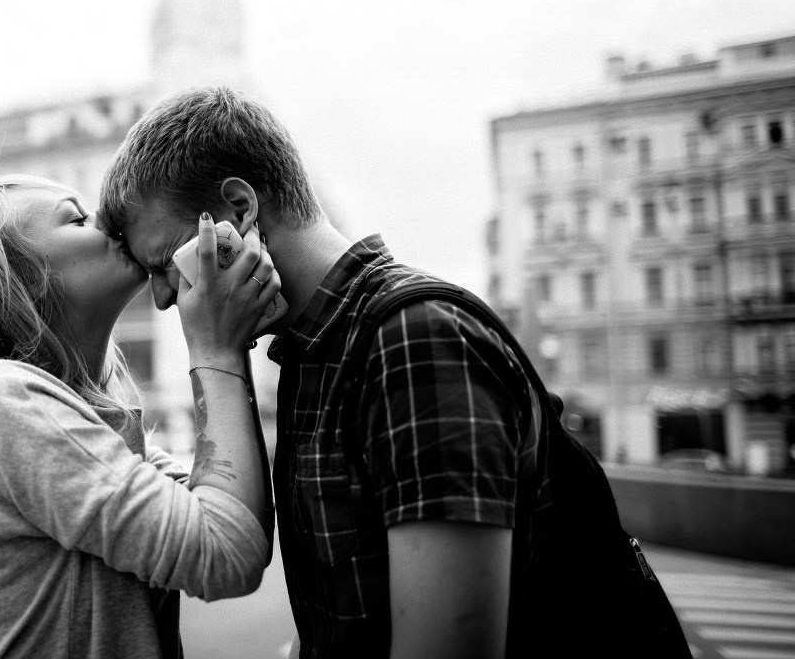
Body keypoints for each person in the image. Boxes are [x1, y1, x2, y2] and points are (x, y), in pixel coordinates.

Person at [98, 88, 543, 659]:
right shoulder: (316, 356)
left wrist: (213, 350)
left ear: (239, 211)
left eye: (164, 263)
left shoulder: (416, 339)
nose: (160, 298)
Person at [0, 174, 280, 659]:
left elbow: (228, 515)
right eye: (78, 218)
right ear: (16, 281)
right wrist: (216, 345)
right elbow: (227, 549)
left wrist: (225, 323)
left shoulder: (86, 427)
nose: (109, 223)